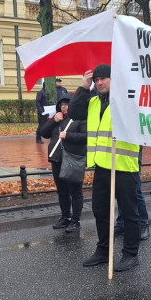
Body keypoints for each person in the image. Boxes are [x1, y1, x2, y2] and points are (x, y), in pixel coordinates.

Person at [68, 64, 141, 272]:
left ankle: (130, 254)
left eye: (104, 78)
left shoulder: (124, 99)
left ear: (113, 79)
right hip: (102, 166)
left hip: (124, 166)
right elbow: (73, 112)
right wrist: (83, 87)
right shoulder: (92, 102)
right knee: (100, 210)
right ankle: (103, 250)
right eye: (96, 79)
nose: (100, 82)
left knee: (129, 212)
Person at [40, 93, 86, 233]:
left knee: (75, 192)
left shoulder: (79, 118)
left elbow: (86, 137)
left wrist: (68, 135)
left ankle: (75, 220)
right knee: (62, 191)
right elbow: (44, 133)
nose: (64, 106)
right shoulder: (57, 119)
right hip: (57, 159)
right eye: (62, 104)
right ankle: (65, 217)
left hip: (72, 159)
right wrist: (53, 121)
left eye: (67, 103)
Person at [115, 147, 150, 240]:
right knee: (120, 189)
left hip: (132, 153)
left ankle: (143, 224)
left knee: (135, 190)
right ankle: (121, 223)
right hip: (120, 153)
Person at [36, 78, 68, 143]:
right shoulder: (41, 93)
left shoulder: (63, 90)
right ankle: (38, 138)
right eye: (58, 82)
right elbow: (38, 102)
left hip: (52, 110)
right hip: (44, 112)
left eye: (60, 82)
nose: (59, 83)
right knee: (42, 125)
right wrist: (41, 111)